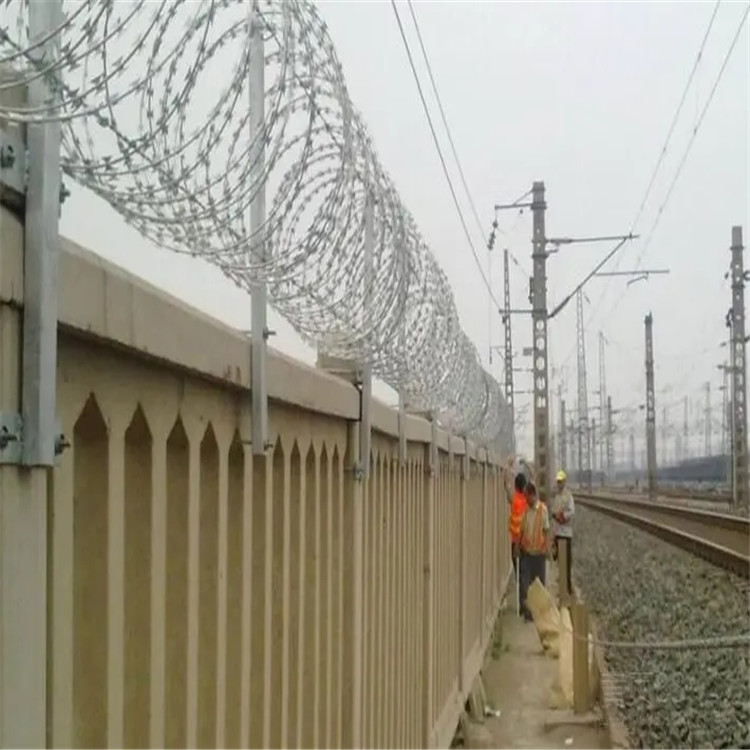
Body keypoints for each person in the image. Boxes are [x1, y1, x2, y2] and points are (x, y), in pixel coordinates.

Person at [519, 481, 549, 621]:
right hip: (527, 553)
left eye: (526, 496)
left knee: (539, 586)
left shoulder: (542, 510)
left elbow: (546, 530)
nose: (525, 499)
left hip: (538, 554)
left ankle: (539, 613)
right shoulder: (526, 510)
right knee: (526, 585)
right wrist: (518, 545)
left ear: (532, 495)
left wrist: (546, 547)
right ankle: (528, 613)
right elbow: (522, 529)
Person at [551, 469, 575, 595]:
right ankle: (562, 586)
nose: (559, 484)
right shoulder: (557, 497)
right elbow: (554, 511)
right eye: (558, 481)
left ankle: (568, 587)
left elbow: (571, 511)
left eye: (561, 481)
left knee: (567, 561)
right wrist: (555, 516)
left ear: (565, 482)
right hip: (558, 532)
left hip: (566, 533)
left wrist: (563, 516)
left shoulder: (568, 496)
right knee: (560, 561)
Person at [508, 472, 527, 573]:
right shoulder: (527, 499)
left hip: (515, 539)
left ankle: (519, 580)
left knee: (517, 566)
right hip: (525, 540)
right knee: (524, 567)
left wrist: (507, 468)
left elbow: (506, 487)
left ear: (515, 486)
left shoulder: (514, 499)